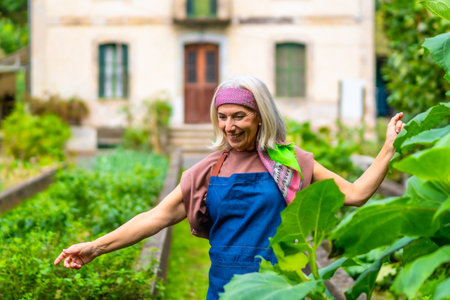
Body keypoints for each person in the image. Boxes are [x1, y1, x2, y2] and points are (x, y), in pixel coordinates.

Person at [54, 75, 404, 299]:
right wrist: (95, 248)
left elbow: (355, 194)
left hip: (283, 287)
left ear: (260, 117)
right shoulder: (207, 170)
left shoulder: (291, 161)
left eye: (239, 116)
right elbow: (156, 217)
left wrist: (388, 149)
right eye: (222, 117)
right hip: (226, 289)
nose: (229, 127)